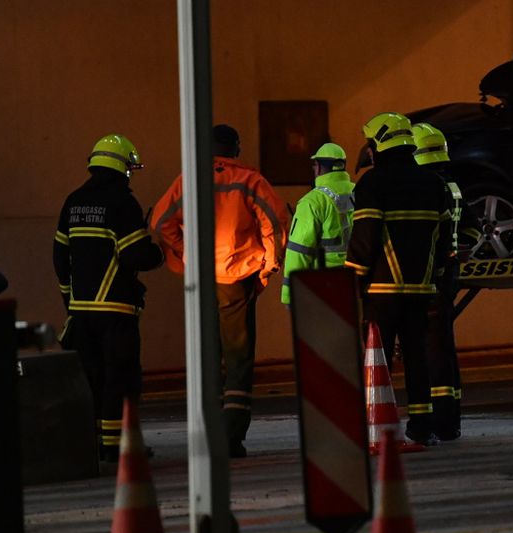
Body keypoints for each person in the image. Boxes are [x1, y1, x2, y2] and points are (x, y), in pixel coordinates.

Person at [148, 124, 285, 457]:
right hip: (237, 280)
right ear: (235, 149)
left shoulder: (188, 181)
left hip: (202, 282)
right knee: (238, 360)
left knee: (207, 358)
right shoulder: (250, 181)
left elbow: (160, 222)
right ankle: (231, 437)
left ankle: (207, 435)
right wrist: (266, 268)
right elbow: (275, 223)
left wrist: (189, 256)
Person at [53, 134, 165, 464]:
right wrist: (159, 253)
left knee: (92, 378)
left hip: (81, 312)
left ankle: (92, 445)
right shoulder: (122, 203)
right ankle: (118, 447)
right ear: (122, 167)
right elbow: (134, 255)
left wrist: (69, 300)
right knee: (122, 377)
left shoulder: (73, 201)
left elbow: (60, 257)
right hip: (116, 309)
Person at [345, 112, 453, 446]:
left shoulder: (373, 183)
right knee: (417, 358)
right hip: (421, 289)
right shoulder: (434, 184)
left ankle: (378, 427)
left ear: (380, 143)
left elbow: (366, 235)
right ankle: (421, 427)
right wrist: (435, 276)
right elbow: (444, 240)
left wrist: (353, 276)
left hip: (382, 290)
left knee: (377, 360)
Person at [412, 121, 464, 441]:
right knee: (444, 345)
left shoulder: (429, 190)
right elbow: (469, 229)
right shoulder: (453, 188)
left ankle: (442, 420)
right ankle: (451, 419)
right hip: (450, 272)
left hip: (435, 275)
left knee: (433, 350)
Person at [280, 142, 355, 306]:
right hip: (355, 283)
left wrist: (290, 295)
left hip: (324, 285)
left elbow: (299, 251)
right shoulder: (360, 192)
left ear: (319, 167)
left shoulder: (312, 201)